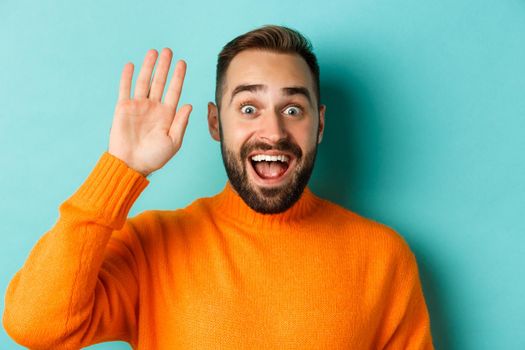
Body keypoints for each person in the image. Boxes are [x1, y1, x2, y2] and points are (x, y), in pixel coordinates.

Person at [3, 25, 434, 349]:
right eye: (249, 107)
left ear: (319, 124)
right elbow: (35, 324)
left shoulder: (383, 258)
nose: (273, 131)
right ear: (215, 123)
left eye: (293, 108)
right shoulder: (153, 247)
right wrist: (120, 169)